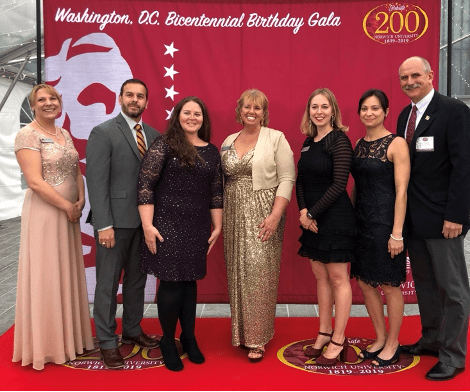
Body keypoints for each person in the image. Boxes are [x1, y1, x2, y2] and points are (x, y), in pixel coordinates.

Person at [397, 56, 470, 381]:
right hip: (415, 220)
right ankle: (432, 339)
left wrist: (457, 215)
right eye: (404, 77)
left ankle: (453, 356)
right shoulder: (404, 116)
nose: (410, 81)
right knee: (425, 286)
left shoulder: (454, 111)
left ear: (430, 75)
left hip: (445, 221)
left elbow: (464, 168)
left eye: (415, 75)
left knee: (452, 290)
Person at [138, 96, 223, 371]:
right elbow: (145, 185)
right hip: (166, 225)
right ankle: (167, 340)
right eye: (187, 113)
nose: (192, 117)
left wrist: (218, 225)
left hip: (198, 225)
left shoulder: (211, 151)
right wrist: (148, 226)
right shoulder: (164, 144)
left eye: (197, 113)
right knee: (172, 284)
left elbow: (216, 192)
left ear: (203, 119)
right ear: (178, 116)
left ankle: (189, 337)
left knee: (190, 283)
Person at [12, 84, 94, 370]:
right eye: (42, 100)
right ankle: (48, 345)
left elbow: (76, 170)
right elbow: (34, 181)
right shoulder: (28, 134)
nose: (49, 103)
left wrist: (81, 200)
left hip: (70, 213)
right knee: (47, 273)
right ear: (33, 106)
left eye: (53, 98)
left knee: (65, 270)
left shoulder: (64, 133)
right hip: (47, 213)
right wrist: (67, 206)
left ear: (60, 103)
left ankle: (70, 337)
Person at [86, 79, 160, 370]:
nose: (135, 100)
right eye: (129, 95)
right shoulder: (103, 132)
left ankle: (132, 329)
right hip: (113, 225)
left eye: (140, 96)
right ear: (119, 99)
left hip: (144, 224)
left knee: (136, 281)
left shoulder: (154, 135)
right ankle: (107, 341)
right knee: (106, 284)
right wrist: (103, 224)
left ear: (146, 103)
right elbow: (96, 181)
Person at [221, 89, 295, 362]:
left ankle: (258, 337)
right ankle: (241, 333)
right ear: (239, 110)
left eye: (258, 108)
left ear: (264, 112)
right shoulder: (229, 140)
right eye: (247, 107)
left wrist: (275, 215)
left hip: (264, 213)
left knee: (259, 274)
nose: (251, 111)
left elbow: (287, 178)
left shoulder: (276, 138)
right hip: (233, 213)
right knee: (238, 272)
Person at [296, 88, 356, 367]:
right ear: (309, 111)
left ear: (333, 110)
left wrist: (312, 214)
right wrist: (303, 212)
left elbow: (339, 184)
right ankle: (323, 332)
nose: (318, 111)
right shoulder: (308, 142)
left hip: (335, 218)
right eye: (314, 107)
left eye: (324, 106)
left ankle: (339, 339)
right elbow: (300, 181)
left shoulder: (339, 140)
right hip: (312, 218)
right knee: (320, 276)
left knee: (337, 278)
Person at [351, 89, 410, 367]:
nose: (369, 113)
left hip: (387, 223)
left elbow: (402, 192)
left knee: (389, 284)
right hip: (361, 223)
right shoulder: (359, 143)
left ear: (386, 111)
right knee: (364, 281)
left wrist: (397, 233)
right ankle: (379, 336)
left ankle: (394, 342)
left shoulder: (397, 143)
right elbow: (356, 187)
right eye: (364, 108)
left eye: (375, 108)